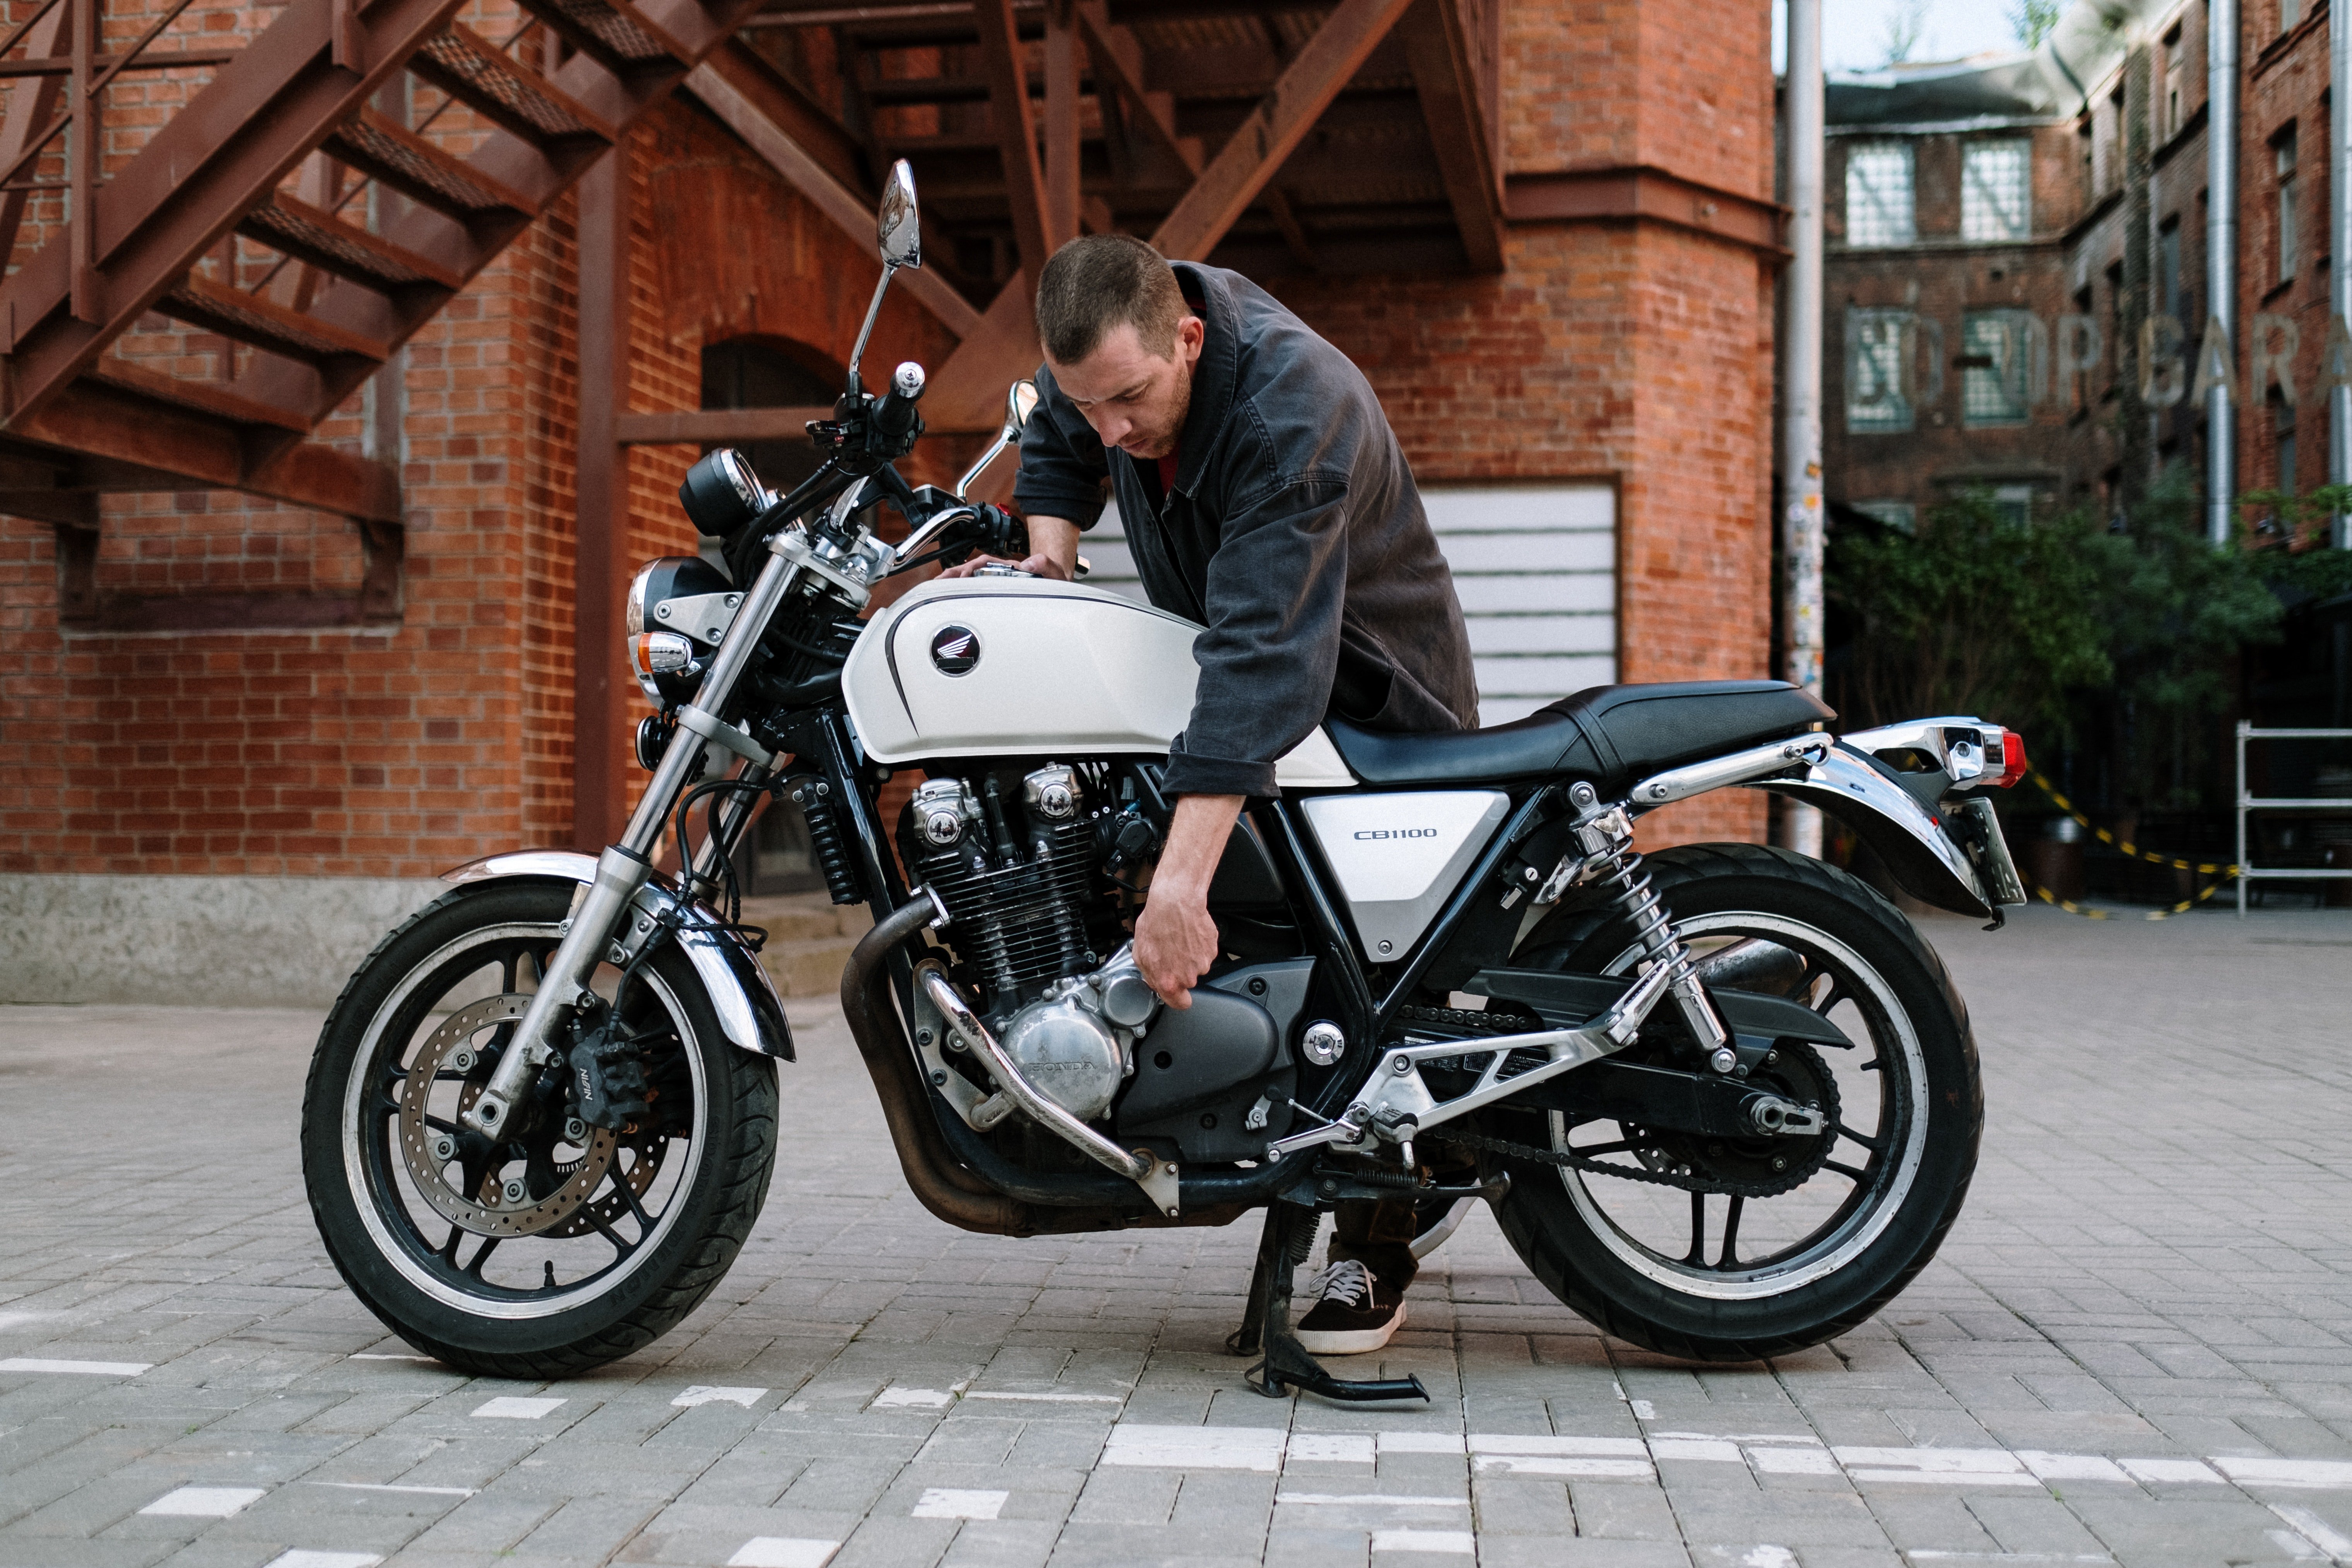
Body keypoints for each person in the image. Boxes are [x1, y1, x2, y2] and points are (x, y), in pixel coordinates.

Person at [942, 234, 1478, 1354]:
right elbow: (1058, 424)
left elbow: (1261, 667)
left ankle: (1373, 1242)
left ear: (1189, 339)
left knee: (1360, 993)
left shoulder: (1289, 413)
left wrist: (1178, 893)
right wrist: (1047, 559)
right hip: (1272, 696)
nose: (1115, 434)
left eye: (1131, 401)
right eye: (1096, 407)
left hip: (1372, 714)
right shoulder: (1123, 346)